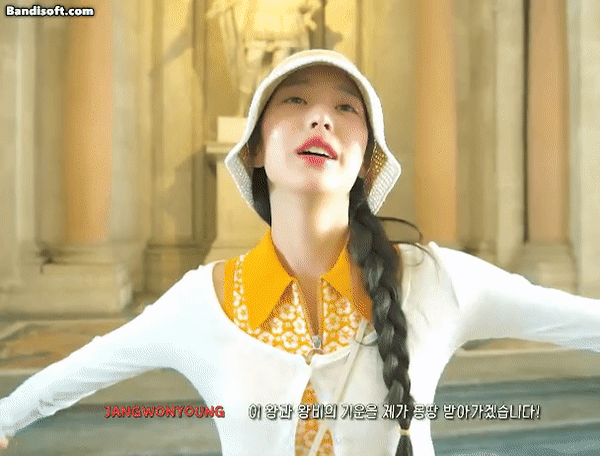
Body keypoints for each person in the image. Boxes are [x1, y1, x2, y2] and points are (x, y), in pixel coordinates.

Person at [1, 49, 600, 456]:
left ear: (367, 162)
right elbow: (77, 372)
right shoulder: (201, 303)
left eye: (345, 107)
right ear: (254, 148)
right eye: (294, 102)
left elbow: (581, 321)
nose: (320, 118)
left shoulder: (435, 281)